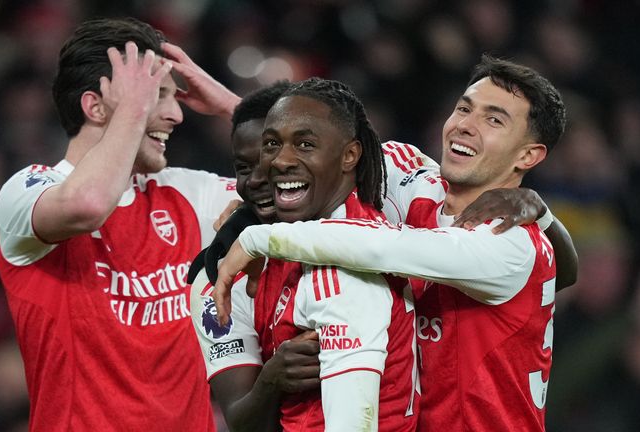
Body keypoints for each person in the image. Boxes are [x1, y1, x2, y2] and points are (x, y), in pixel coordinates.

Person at [214, 55, 572, 431]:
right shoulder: (409, 176)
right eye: (465, 108)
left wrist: (259, 239)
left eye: (494, 120)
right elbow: (317, 143)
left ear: (528, 155)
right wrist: (249, 202)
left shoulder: (510, 242)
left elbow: (381, 247)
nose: (466, 125)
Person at [0, 18, 242, 430]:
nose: (176, 114)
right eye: (156, 95)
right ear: (96, 107)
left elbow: (321, 185)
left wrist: (236, 109)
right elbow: (88, 204)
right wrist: (132, 111)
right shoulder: (27, 191)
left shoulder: (185, 193)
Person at [215, 77, 422, 431]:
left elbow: (352, 423)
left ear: (350, 156)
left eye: (305, 144)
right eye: (272, 144)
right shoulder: (306, 237)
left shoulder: (338, 273)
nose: (280, 161)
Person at [189, 81, 325, 432]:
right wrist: (271, 379)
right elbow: (240, 420)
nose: (255, 180)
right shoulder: (218, 279)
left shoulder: (376, 222)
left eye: (270, 160)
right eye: (243, 167)